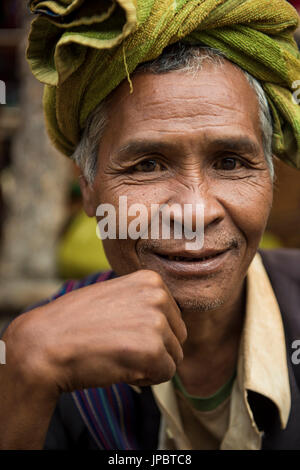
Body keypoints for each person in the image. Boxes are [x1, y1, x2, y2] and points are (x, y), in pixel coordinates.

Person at [1, 0, 300, 450]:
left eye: (231, 162)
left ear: (271, 178)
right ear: (87, 187)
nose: (196, 212)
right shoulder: (40, 356)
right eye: (147, 166)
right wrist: (22, 379)